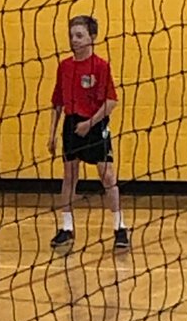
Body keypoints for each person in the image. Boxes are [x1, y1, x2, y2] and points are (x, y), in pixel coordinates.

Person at [48, 15, 129, 252]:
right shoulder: (64, 66)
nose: (74, 40)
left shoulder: (100, 66)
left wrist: (90, 123)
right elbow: (57, 102)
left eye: (79, 35)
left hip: (95, 124)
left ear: (92, 37)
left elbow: (111, 101)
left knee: (107, 175)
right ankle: (66, 228)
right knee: (69, 176)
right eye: (71, 35)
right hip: (71, 125)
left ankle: (120, 227)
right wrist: (52, 133)